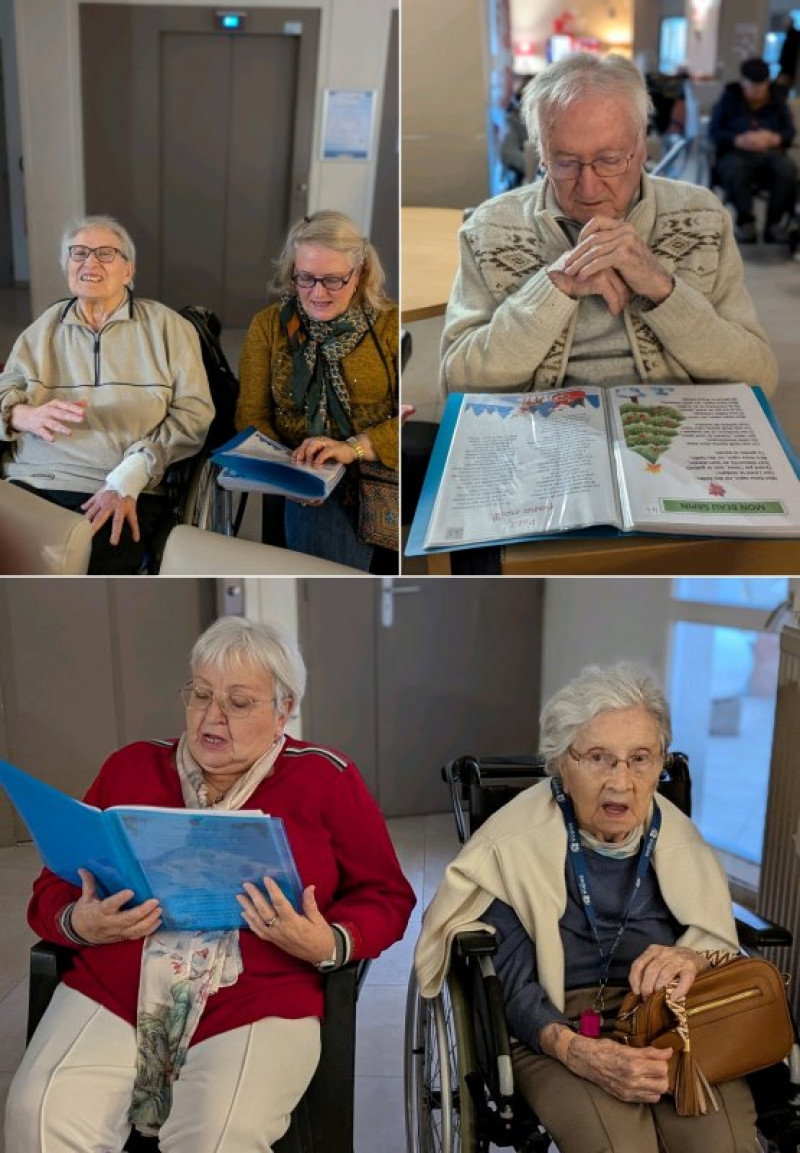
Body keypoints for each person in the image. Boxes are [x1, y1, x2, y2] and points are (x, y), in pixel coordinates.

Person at [5, 616, 416, 1152]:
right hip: (118, 984)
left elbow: (387, 895)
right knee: (38, 1114)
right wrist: (79, 922)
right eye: (201, 694)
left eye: (238, 702)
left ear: (284, 710)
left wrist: (330, 941)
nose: (211, 716)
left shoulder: (325, 778)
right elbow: (52, 890)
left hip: (259, 994)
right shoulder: (131, 767)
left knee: (220, 1135)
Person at [415, 663, 755, 1152]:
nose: (621, 782)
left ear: (660, 763)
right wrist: (575, 1050)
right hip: (557, 1025)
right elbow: (514, 987)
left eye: (640, 759)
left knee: (722, 1146)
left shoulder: (682, 842)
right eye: (598, 758)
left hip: (672, 1018)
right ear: (561, 762)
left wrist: (693, 958)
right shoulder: (514, 846)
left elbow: (715, 940)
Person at [440, 53, 778, 398]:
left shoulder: (703, 216)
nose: (588, 189)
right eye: (565, 162)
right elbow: (458, 385)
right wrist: (553, 288)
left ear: (642, 147)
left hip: (678, 422)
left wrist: (663, 289)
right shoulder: (491, 228)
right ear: (541, 154)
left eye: (610, 160)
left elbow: (758, 378)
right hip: (539, 423)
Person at [0, 215, 214, 574]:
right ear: (67, 266)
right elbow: (6, 388)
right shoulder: (43, 329)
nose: (90, 262)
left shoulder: (168, 328)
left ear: (128, 271)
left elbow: (194, 415)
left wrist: (130, 476)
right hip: (30, 480)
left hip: (116, 486)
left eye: (105, 253)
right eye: (79, 252)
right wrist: (22, 415)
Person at [236, 210, 399, 573]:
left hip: (375, 465)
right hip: (303, 467)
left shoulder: (389, 324)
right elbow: (251, 416)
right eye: (306, 278)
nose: (318, 293)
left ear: (359, 274)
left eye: (333, 280)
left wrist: (353, 448)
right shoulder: (268, 327)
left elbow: (404, 421)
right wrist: (290, 471)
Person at [708, 57, 798, 245]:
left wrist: (775, 138)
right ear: (742, 82)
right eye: (752, 87)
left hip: (770, 153)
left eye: (761, 86)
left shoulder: (777, 99)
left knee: (787, 168)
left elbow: (789, 133)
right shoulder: (729, 98)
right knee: (735, 168)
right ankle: (745, 221)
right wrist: (737, 139)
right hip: (735, 153)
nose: (757, 91)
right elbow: (714, 132)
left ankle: (774, 224)